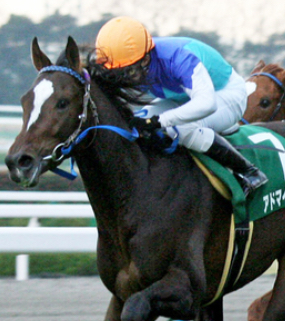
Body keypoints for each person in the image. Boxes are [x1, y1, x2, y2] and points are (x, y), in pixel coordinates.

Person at [94, 16, 267, 197]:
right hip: (183, 96)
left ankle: (249, 171)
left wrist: (160, 121)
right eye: (117, 71)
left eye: (128, 70)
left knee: (180, 128)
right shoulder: (131, 59)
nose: (123, 77)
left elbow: (206, 104)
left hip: (226, 95)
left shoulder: (178, 58)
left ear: (144, 60)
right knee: (138, 119)